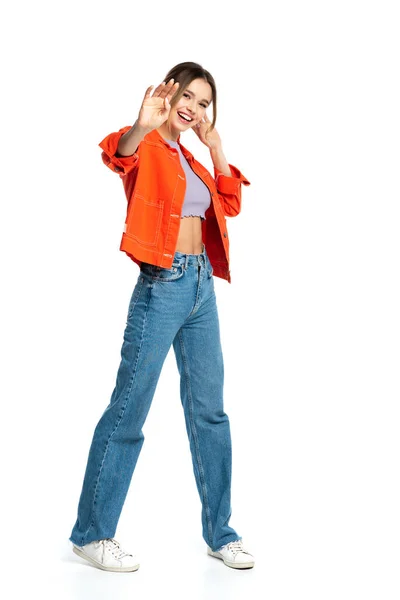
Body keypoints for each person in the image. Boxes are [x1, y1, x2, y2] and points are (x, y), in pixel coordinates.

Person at [69, 61, 254, 572]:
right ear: (169, 96)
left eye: (204, 102)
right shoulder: (148, 144)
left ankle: (222, 533)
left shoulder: (193, 160)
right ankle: (92, 533)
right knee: (129, 410)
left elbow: (230, 202)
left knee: (210, 414)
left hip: (201, 290)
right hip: (162, 286)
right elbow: (116, 154)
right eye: (188, 97)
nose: (194, 109)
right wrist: (141, 125)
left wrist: (215, 148)